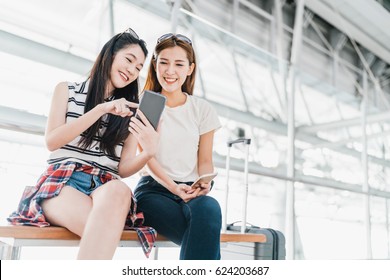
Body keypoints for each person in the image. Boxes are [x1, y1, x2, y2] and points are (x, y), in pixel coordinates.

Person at [8, 28, 159, 259]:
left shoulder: (129, 113)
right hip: (63, 181)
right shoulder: (67, 91)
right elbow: (52, 141)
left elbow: (122, 168)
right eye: (129, 60)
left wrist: (147, 153)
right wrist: (101, 109)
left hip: (107, 187)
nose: (132, 70)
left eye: (138, 68)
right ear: (109, 55)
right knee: (103, 230)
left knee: (118, 191)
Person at [133, 33, 222, 260]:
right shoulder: (148, 105)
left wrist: (205, 182)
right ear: (155, 65)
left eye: (179, 64)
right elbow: (146, 158)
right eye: (163, 62)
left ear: (190, 69)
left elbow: (204, 160)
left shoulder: (202, 110)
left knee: (210, 207)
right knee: (204, 236)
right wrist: (174, 188)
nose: (170, 71)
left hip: (191, 190)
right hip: (154, 191)